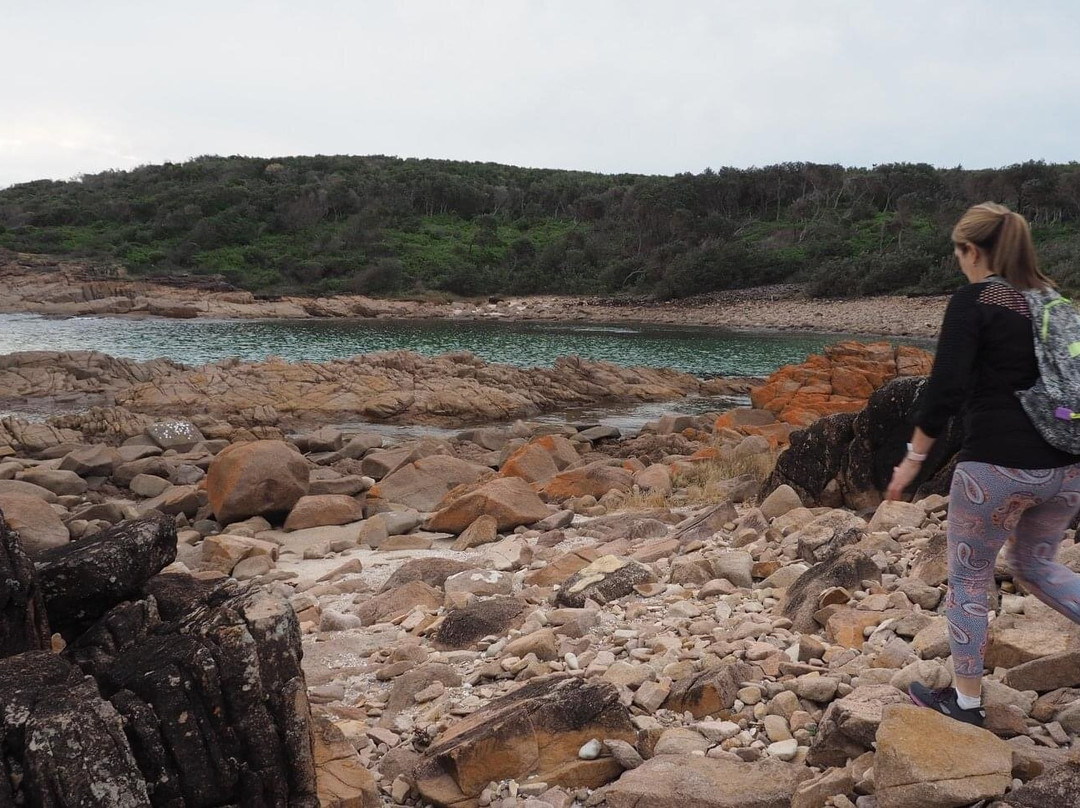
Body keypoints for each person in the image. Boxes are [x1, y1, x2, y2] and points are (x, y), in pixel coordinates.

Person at [886, 202, 1080, 727]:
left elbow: (944, 390)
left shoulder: (978, 300)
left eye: (958, 252)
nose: (958, 262)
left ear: (972, 250)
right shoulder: (1055, 304)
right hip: (1066, 471)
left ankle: (967, 704)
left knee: (970, 579)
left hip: (995, 470)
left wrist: (912, 461)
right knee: (1036, 566)